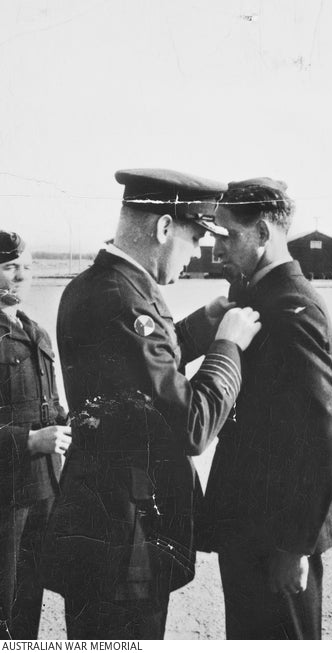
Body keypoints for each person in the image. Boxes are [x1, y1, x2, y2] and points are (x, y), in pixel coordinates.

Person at [41, 169, 261, 640]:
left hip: (101, 528)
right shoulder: (127, 301)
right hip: (125, 540)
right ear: (163, 229)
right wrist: (228, 348)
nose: (200, 251)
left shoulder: (96, 284)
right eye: (195, 236)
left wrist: (201, 326)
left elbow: (137, 370)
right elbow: (192, 427)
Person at [201, 178, 332, 639]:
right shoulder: (254, 294)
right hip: (247, 521)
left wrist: (295, 545)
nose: (215, 247)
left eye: (228, 235)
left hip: (277, 532)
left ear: (263, 233)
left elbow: (323, 430)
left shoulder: (292, 305)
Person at [0, 231, 71, 639]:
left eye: (27, 267)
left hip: (44, 489)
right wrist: (27, 441)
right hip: (5, 497)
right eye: (11, 267)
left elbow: (52, 404)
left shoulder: (36, 332)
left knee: (29, 601)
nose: (23, 276)